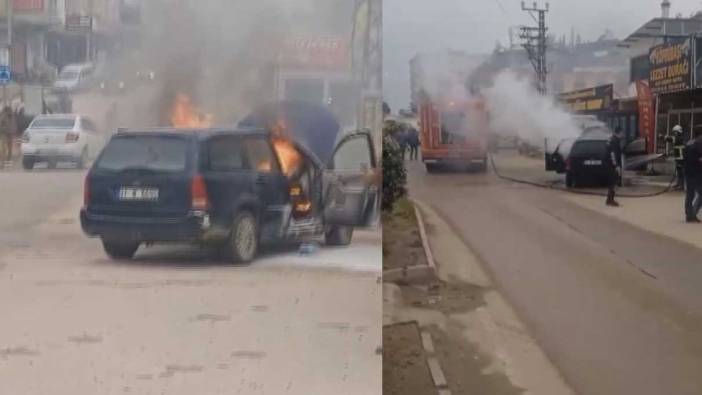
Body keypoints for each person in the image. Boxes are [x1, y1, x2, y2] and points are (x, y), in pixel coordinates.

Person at [683, 129, 702, 222]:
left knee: (690, 194)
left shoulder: (689, 143)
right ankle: (692, 214)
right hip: (697, 172)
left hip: (688, 171)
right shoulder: (699, 142)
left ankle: (689, 214)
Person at [605, 127, 624, 207]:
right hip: (612, 165)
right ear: (619, 133)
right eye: (622, 133)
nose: (623, 135)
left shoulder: (611, 139)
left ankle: (609, 199)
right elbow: (613, 154)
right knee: (613, 182)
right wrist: (616, 166)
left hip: (609, 164)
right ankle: (610, 200)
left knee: (612, 183)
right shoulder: (614, 141)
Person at [666, 125, 686, 190]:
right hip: (678, 158)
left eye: (675, 132)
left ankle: (681, 186)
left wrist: (664, 137)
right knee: (678, 172)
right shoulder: (680, 137)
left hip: (681, 159)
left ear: (678, 132)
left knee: (680, 173)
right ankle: (678, 184)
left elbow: (671, 139)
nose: (674, 133)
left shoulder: (679, 138)